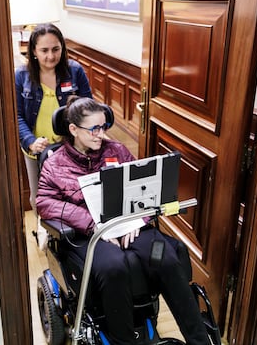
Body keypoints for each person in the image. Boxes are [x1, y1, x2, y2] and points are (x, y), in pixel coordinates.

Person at [36, 97, 210, 345]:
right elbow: (45, 202)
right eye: (93, 129)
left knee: (165, 256)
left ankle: (199, 341)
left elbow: (145, 191)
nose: (101, 134)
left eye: (104, 126)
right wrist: (91, 223)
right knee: (114, 267)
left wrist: (138, 219)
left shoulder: (117, 151)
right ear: (73, 129)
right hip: (91, 235)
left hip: (133, 227)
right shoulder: (55, 163)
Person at [15, 23, 92, 247]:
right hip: (36, 149)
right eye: (44, 50)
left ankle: (71, 238)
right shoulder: (21, 76)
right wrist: (30, 141)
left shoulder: (74, 70)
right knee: (39, 196)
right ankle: (46, 235)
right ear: (34, 51)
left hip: (70, 149)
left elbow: (88, 107)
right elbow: (16, 115)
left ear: (62, 48)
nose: (51, 56)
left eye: (55, 49)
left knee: (72, 194)